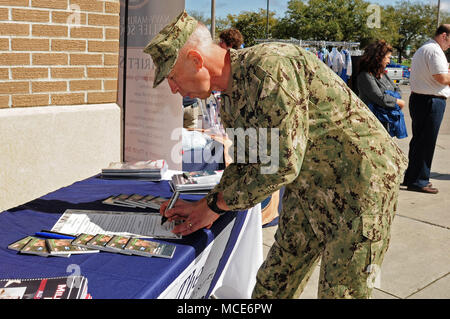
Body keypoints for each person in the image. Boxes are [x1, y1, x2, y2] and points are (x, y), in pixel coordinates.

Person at [144, 11, 407, 299]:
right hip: (309, 185)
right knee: (274, 281)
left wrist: (216, 206)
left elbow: (281, 164)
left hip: (360, 185)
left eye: (172, 76)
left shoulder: (271, 66)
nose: (173, 88)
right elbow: (246, 164)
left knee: (342, 291)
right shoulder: (230, 98)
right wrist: (207, 204)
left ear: (196, 60)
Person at [402, 25, 450, 194]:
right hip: (430, 101)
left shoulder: (426, 48)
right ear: (444, 36)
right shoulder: (434, 50)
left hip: (422, 99)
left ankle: (412, 176)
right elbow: (442, 77)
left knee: (419, 141)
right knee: (425, 142)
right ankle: (419, 180)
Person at [357, 40, 407, 138]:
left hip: (387, 123)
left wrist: (391, 99)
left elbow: (397, 90)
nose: (389, 61)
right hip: (372, 124)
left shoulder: (383, 74)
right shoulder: (365, 75)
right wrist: (397, 102)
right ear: (378, 57)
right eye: (387, 57)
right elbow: (379, 98)